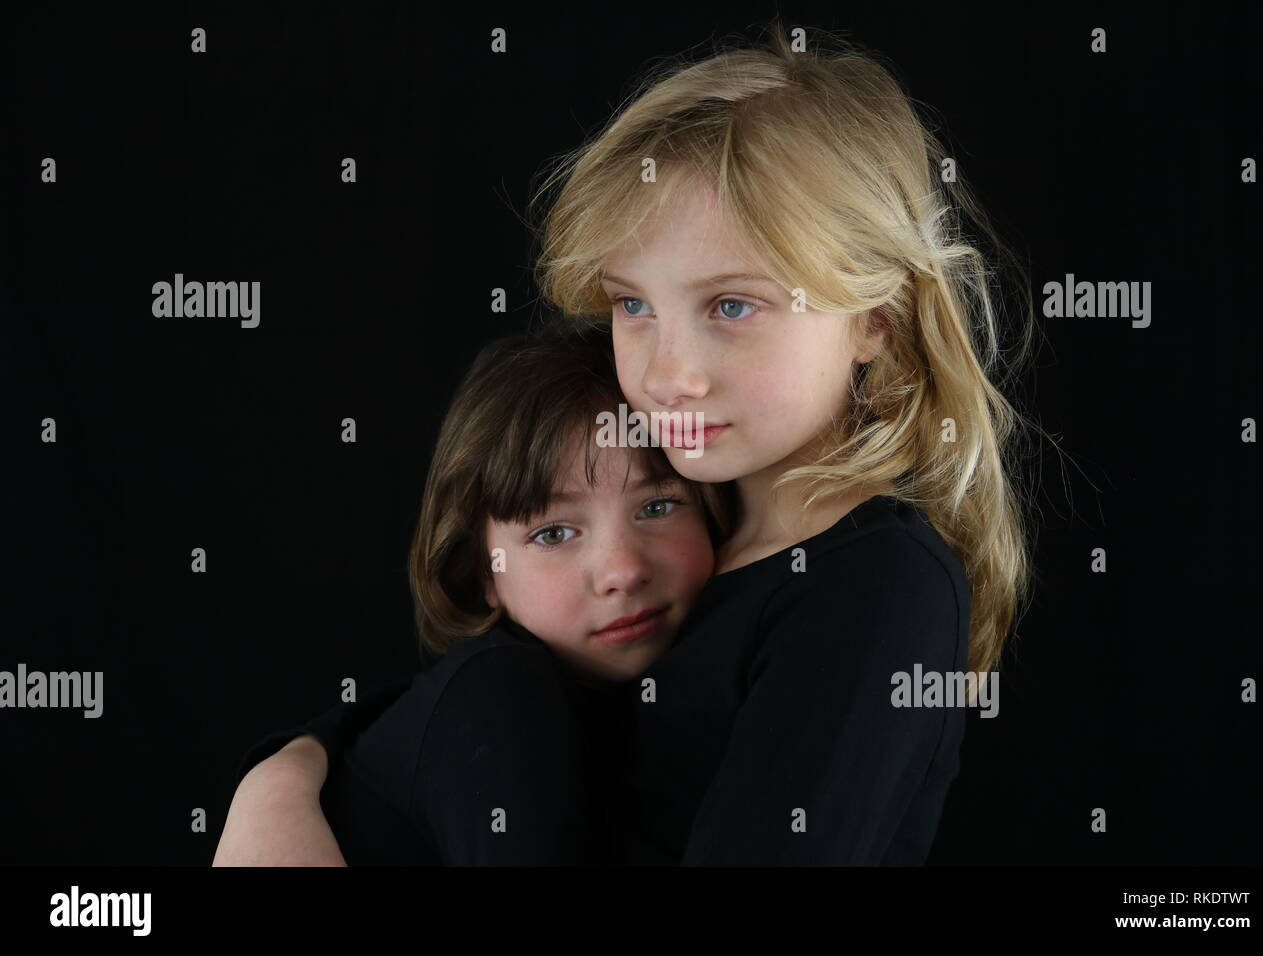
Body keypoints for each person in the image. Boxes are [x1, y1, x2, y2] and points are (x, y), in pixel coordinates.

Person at [216, 19, 1036, 866]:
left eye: (731, 306)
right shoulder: (695, 528)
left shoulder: (873, 581)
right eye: (632, 305)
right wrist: (287, 769)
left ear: (875, 317)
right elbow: (492, 692)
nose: (668, 373)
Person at [215, 327, 728, 865]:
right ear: (485, 572)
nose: (622, 571)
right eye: (552, 534)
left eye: (658, 507)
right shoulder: (499, 694)